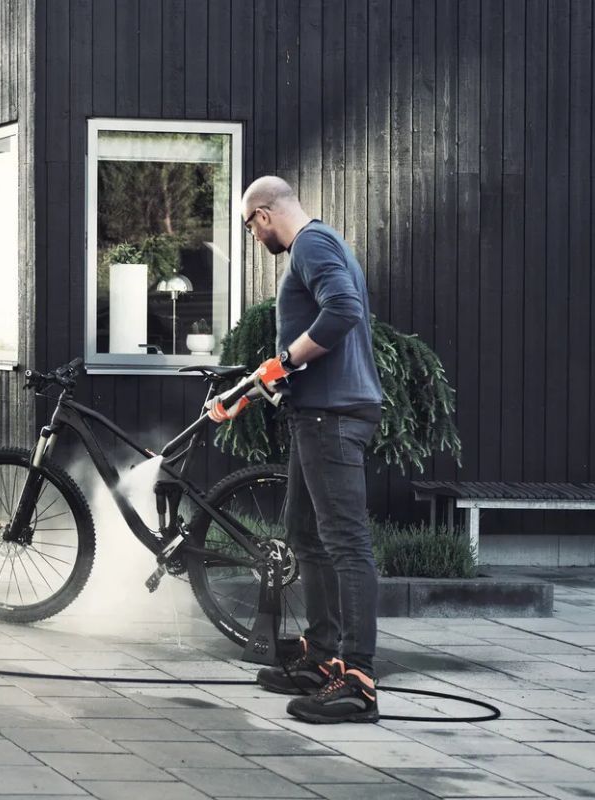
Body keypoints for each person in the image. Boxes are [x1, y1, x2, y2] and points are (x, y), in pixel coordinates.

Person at [208, 176, 384, 724]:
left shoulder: (310, 244)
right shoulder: (323, 243)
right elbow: (319, 336)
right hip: (316, 414)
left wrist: (283, 361)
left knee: (345, 542)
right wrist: (271, 379)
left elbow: (343, 310)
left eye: (248, 226)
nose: (253, 238)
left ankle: (357, 680)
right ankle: (321, 656)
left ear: (263, 215)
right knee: (305, 535)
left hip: (334, 418)